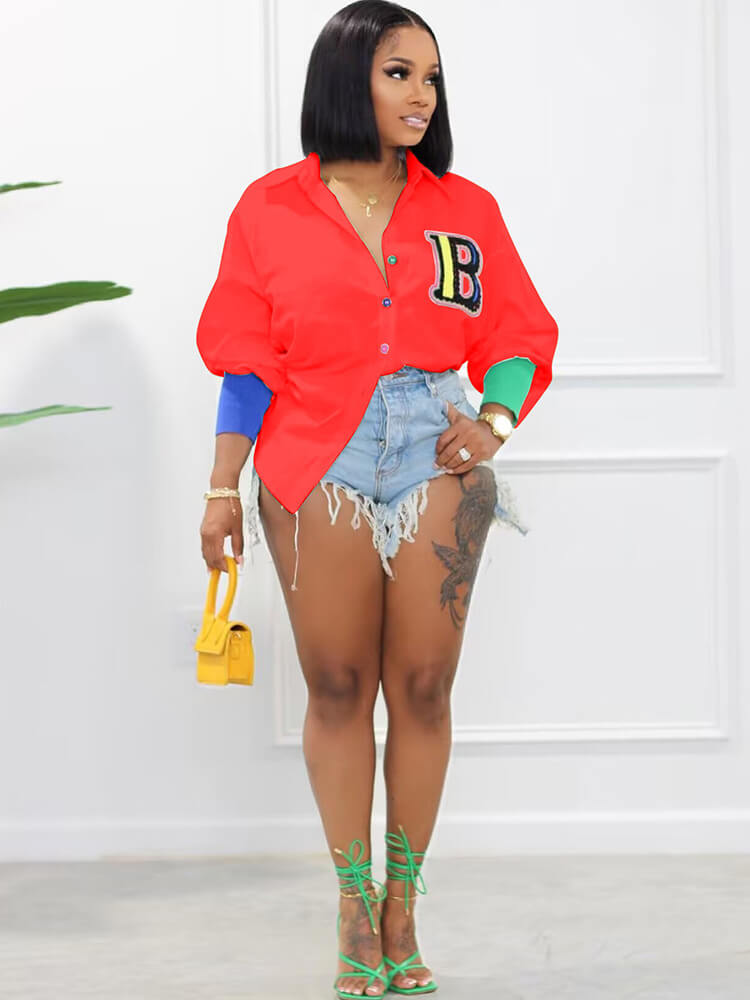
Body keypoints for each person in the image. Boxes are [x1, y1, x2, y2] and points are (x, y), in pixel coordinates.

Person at [197, 2, 558, 996]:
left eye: (431, 78)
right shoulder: (269, 209)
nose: (422, 95)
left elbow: (520, 333)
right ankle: (353, 903)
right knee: (339, 683)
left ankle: (405, 902)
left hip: (435, 445)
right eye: (400, 73)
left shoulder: (465, 209)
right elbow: (245, 361)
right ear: (346, 79)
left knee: (426, 686)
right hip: (317, 447)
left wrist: (495, 420)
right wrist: (222, 487)